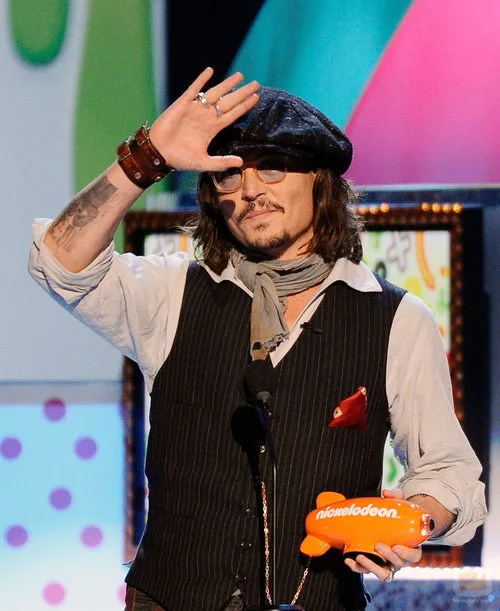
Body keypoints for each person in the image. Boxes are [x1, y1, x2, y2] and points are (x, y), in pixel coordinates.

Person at [29, 68, 486, 611]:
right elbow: (60, 263)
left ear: (319, 180)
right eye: (228, 174)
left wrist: (413, 521)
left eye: (271, 166)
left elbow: (448, 472)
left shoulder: (397, 318)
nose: (248, 190)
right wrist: (145, 158)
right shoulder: (172, 293)